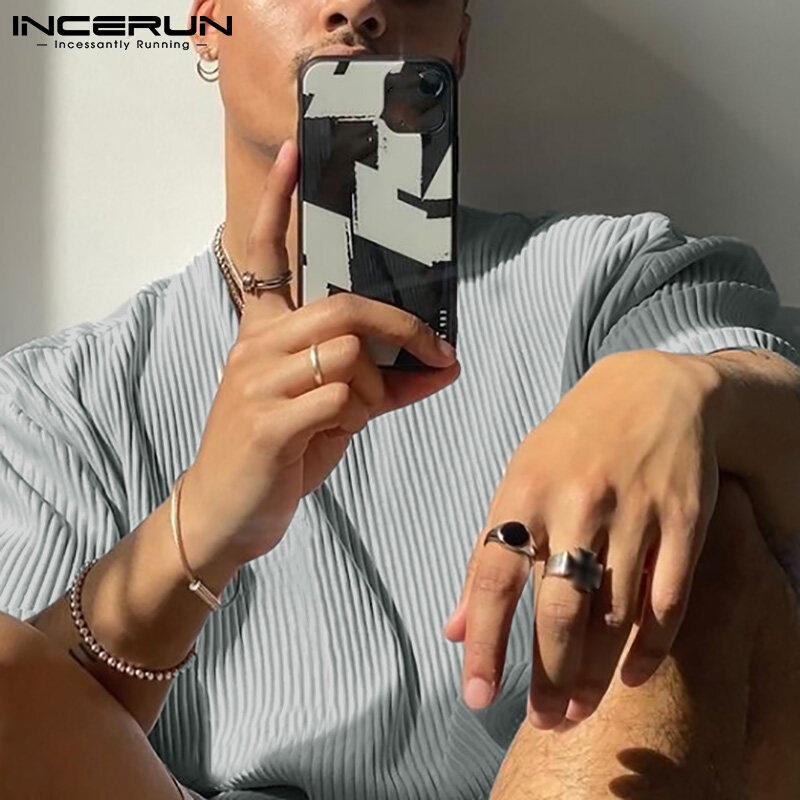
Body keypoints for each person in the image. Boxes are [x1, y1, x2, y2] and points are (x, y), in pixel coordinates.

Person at [1, 2, 800, 799]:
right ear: (209, 25)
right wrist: (198, 529)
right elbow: (27, 725)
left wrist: (689, 389)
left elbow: (762, 401)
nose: (359, 8)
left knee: (717, 507)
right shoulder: (57, 406)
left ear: (457, 46)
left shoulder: (606, 281)